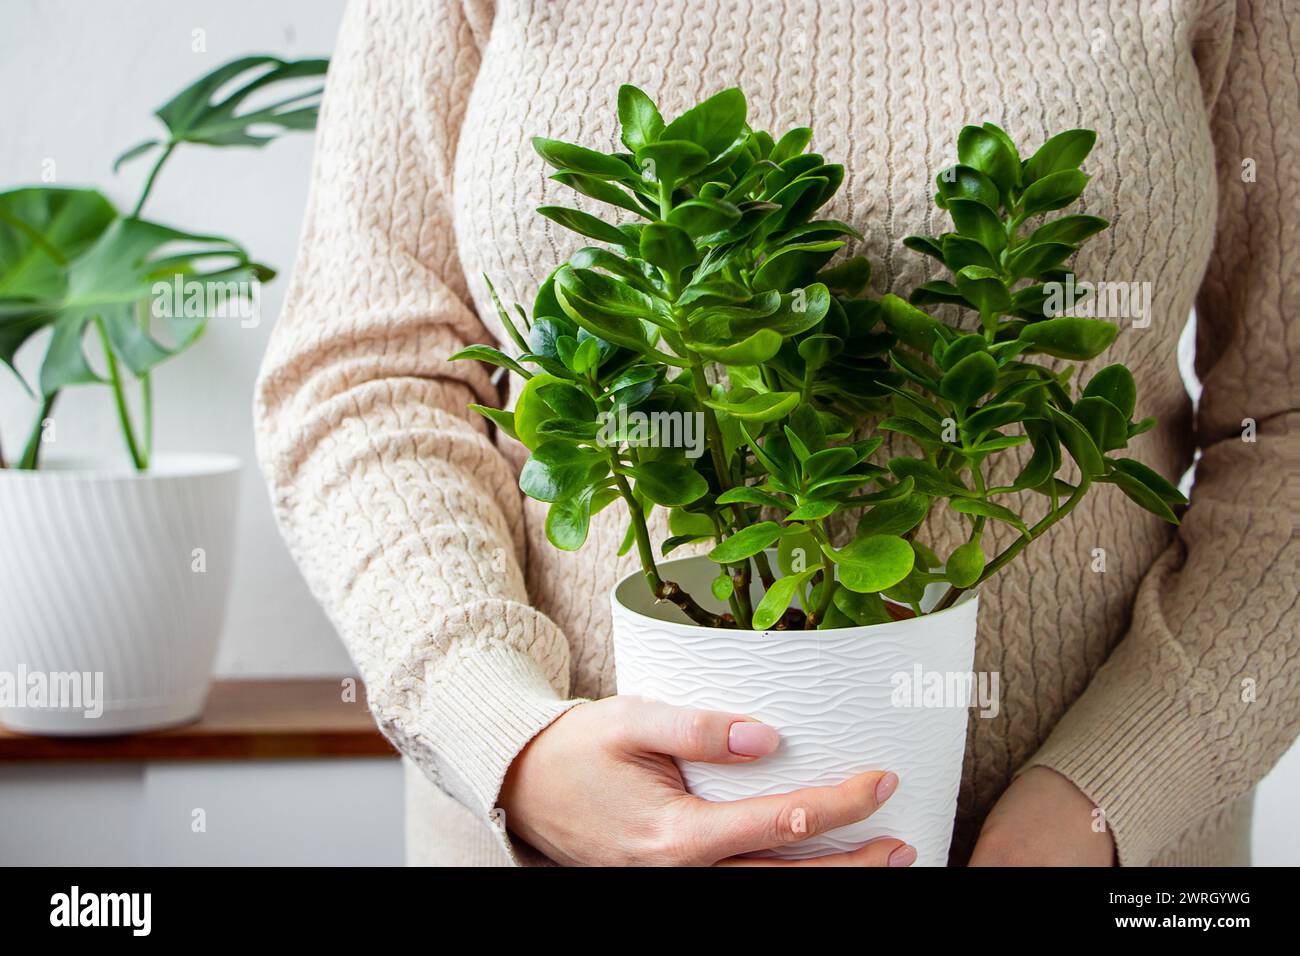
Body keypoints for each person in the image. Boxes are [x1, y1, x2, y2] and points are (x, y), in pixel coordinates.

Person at [254, 0, 1298, 866]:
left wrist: (1108, 794)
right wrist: (510, 738)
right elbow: (369, 369)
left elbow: (1286, 418)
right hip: (549, 841)